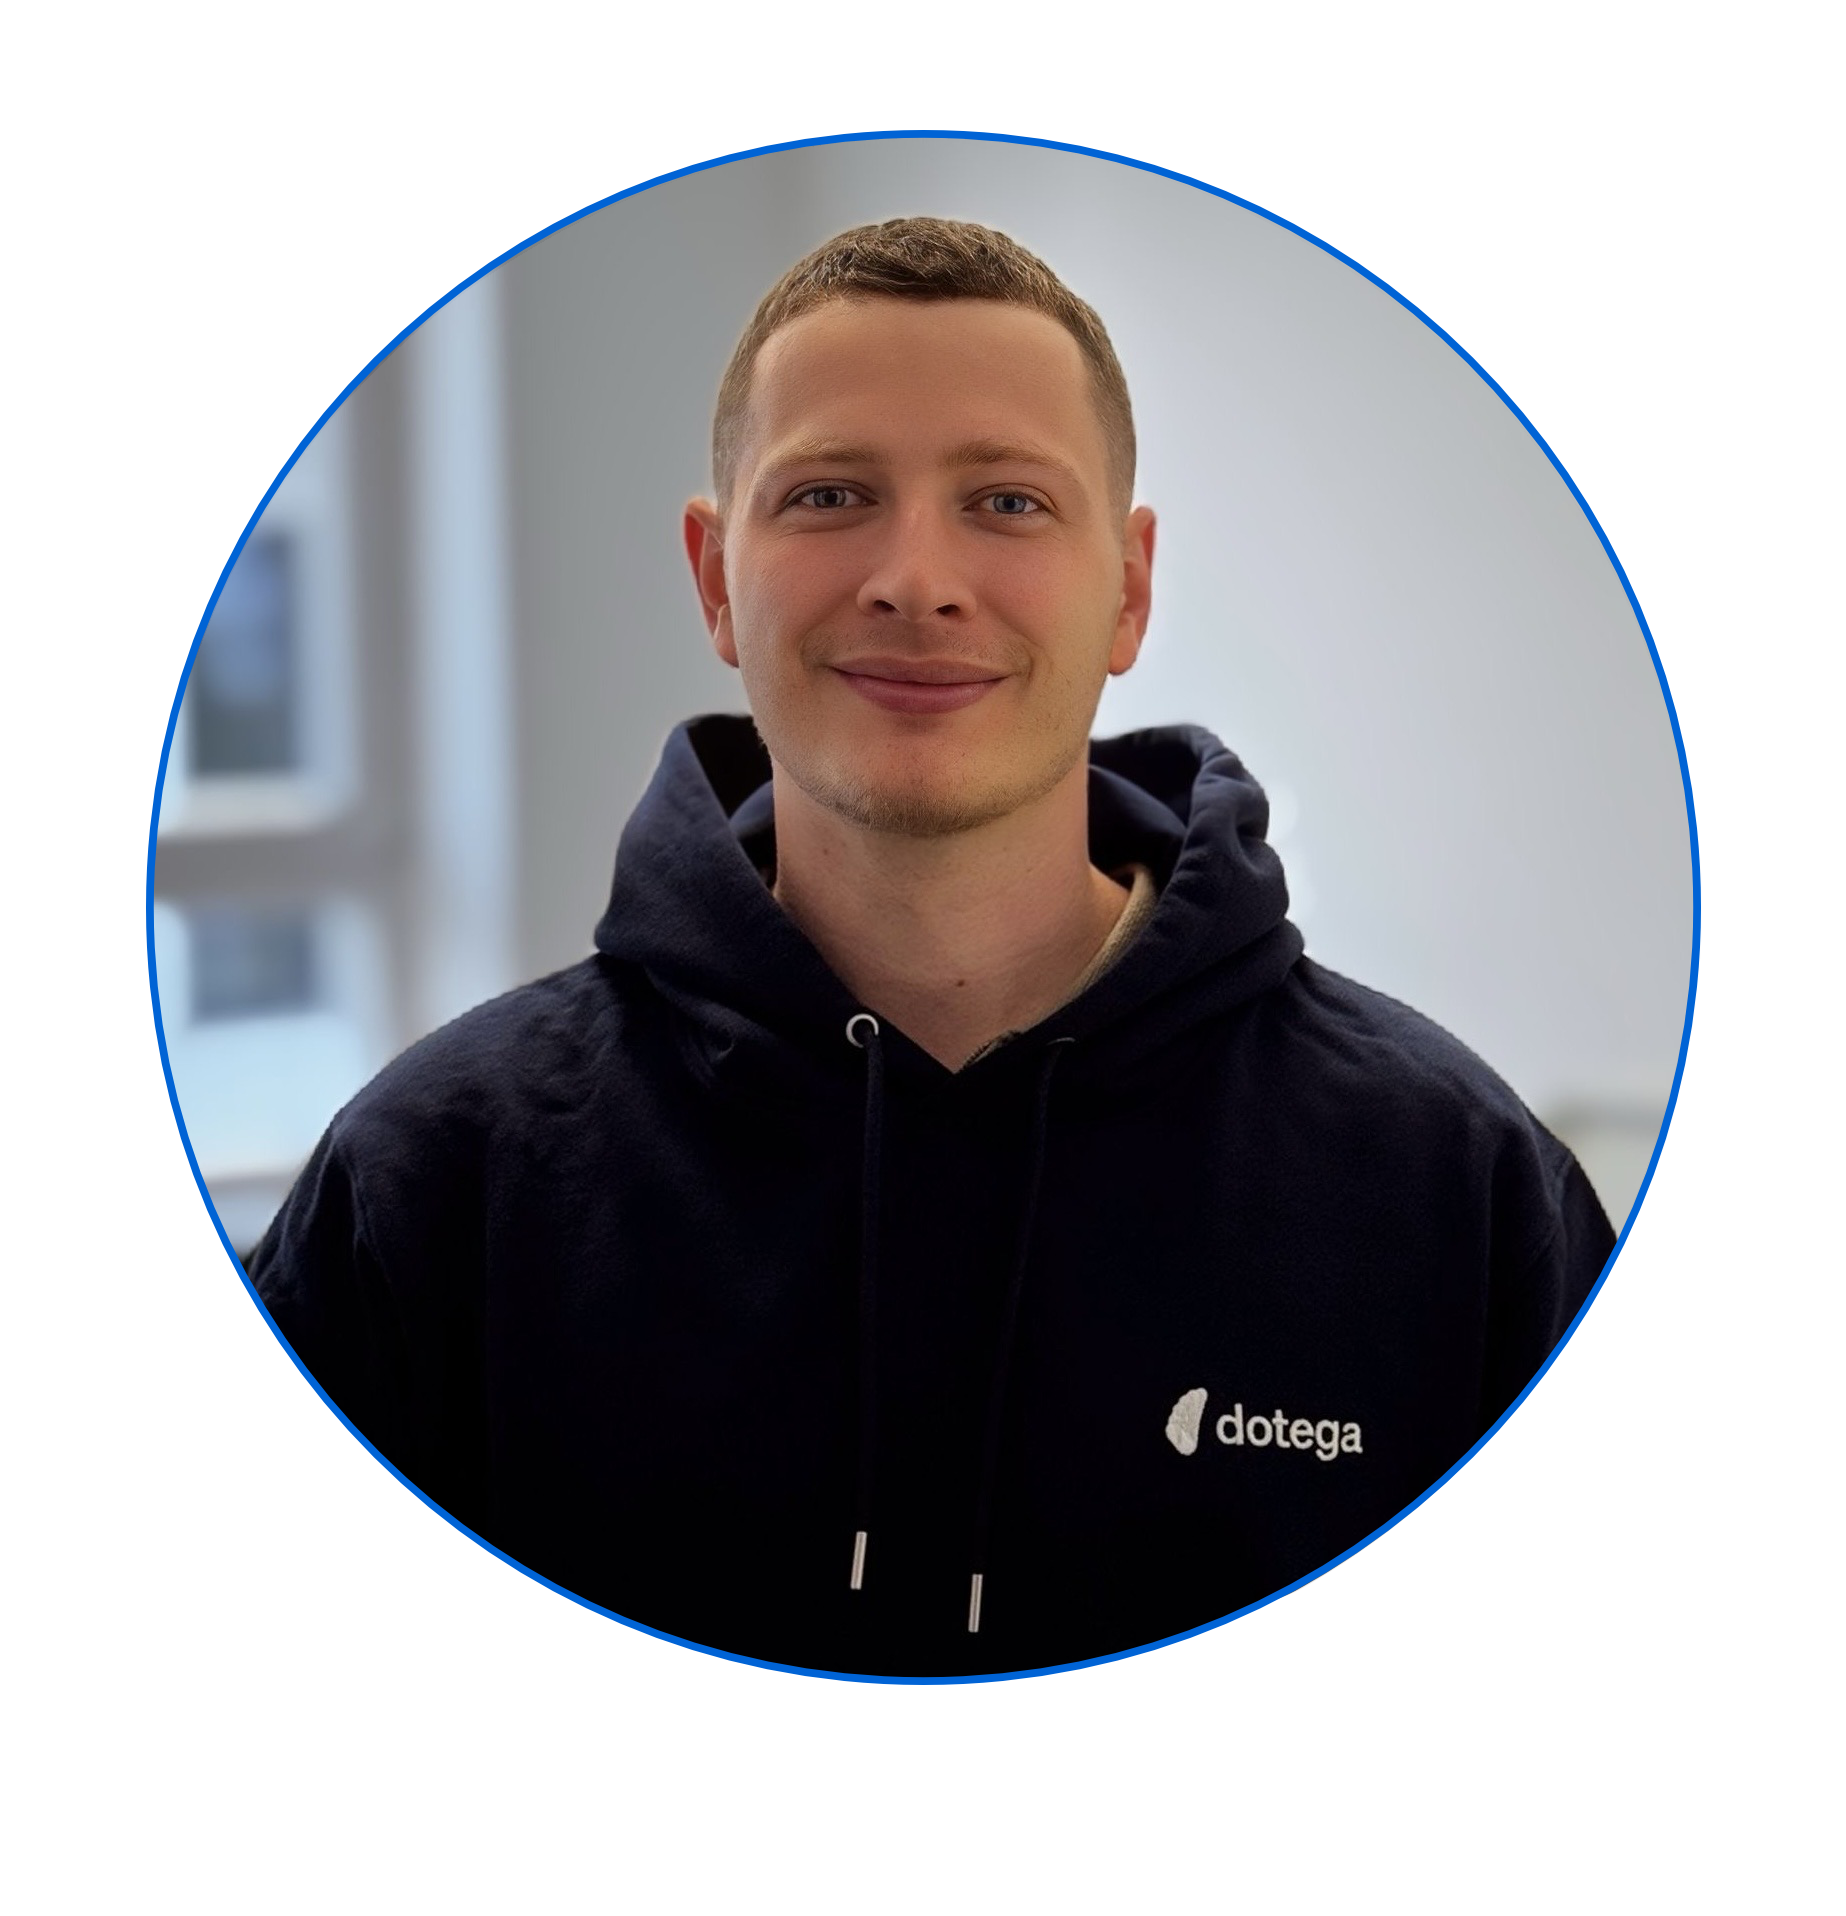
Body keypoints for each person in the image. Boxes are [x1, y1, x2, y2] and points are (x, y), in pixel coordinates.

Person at [250, 216, 1615, 1676]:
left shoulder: (1458, 1187)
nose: (915, 578)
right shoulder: (432, 1184)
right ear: (715, 580)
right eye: (830, 494)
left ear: (1128, 589)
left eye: (1007, 502)